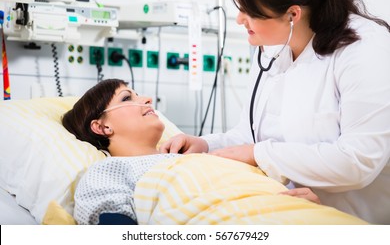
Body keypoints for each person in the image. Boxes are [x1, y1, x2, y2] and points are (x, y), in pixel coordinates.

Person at [159, 0, 390, 224]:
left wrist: (261, 154)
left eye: (250, 11)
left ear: (292, 14)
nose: (239, 19)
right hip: (294, 213)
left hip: (361, 220)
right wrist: (206, 145)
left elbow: (357, 161)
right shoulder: (275, 51)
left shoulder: (365, 49)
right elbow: (250, 135)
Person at [62, 78, 321, 224]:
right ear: (102, 126)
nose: (147, 99)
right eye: (127, 98)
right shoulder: (108, 170)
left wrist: (296, 200)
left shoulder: (198, 160)